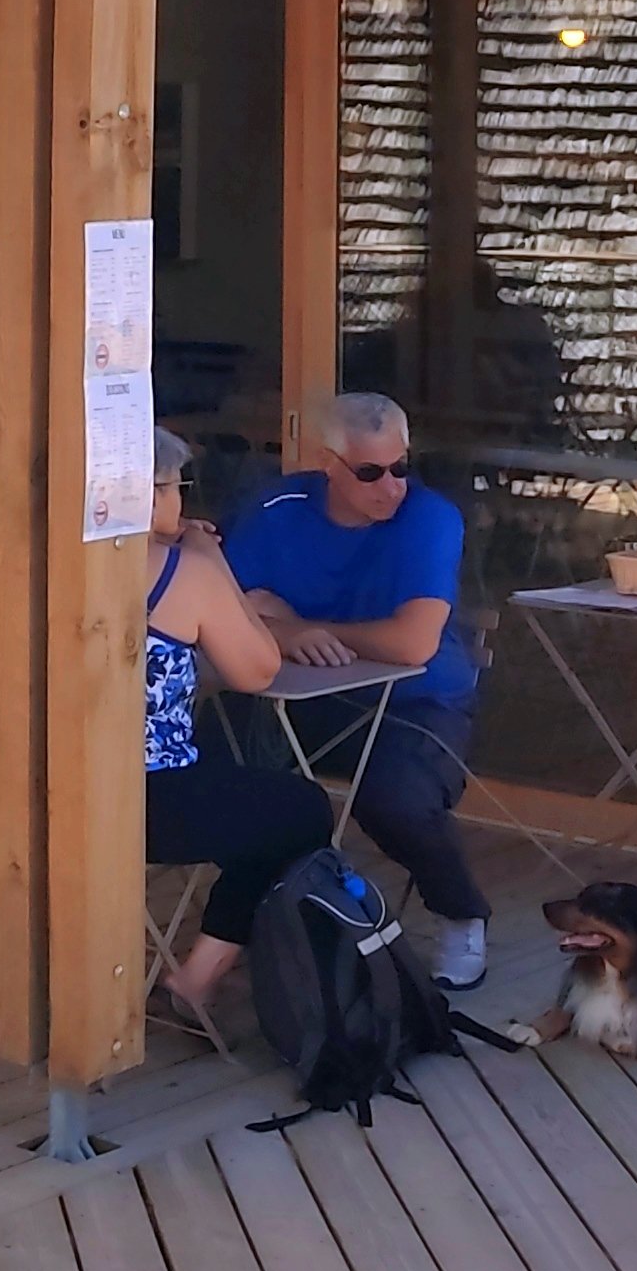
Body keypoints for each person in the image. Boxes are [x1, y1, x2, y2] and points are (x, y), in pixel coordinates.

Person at [223, 392, 493, 986]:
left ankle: (461, 915)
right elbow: (221, 606)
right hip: (300, 700)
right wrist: (283, 630)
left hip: (418, 702)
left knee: (394, 798)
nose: (391, 486)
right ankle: (251, 924)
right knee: (217, 772)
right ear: (327, 464)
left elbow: (414, 644)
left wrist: (291, 626)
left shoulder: (428, 516)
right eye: (370, 472)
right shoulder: (276, 507)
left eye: (401, 467)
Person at [141, 428, 338, 1031]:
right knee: (300, 811)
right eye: (176, 488)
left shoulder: (42, 558)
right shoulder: (179, 570)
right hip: (143, 801)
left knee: (231, 769)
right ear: (147, 494)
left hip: (28, 786)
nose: (181, 502)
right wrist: (209, 560)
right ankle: (195, 979)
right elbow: (258, 669)